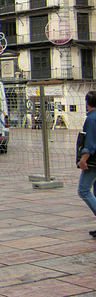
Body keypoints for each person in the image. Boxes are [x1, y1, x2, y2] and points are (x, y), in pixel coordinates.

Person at [77, 91, 96, 238]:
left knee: (83, 190)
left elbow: (90, 142)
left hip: (94, 161)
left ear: (87, 103)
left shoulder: (91, 119)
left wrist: (83, 158)